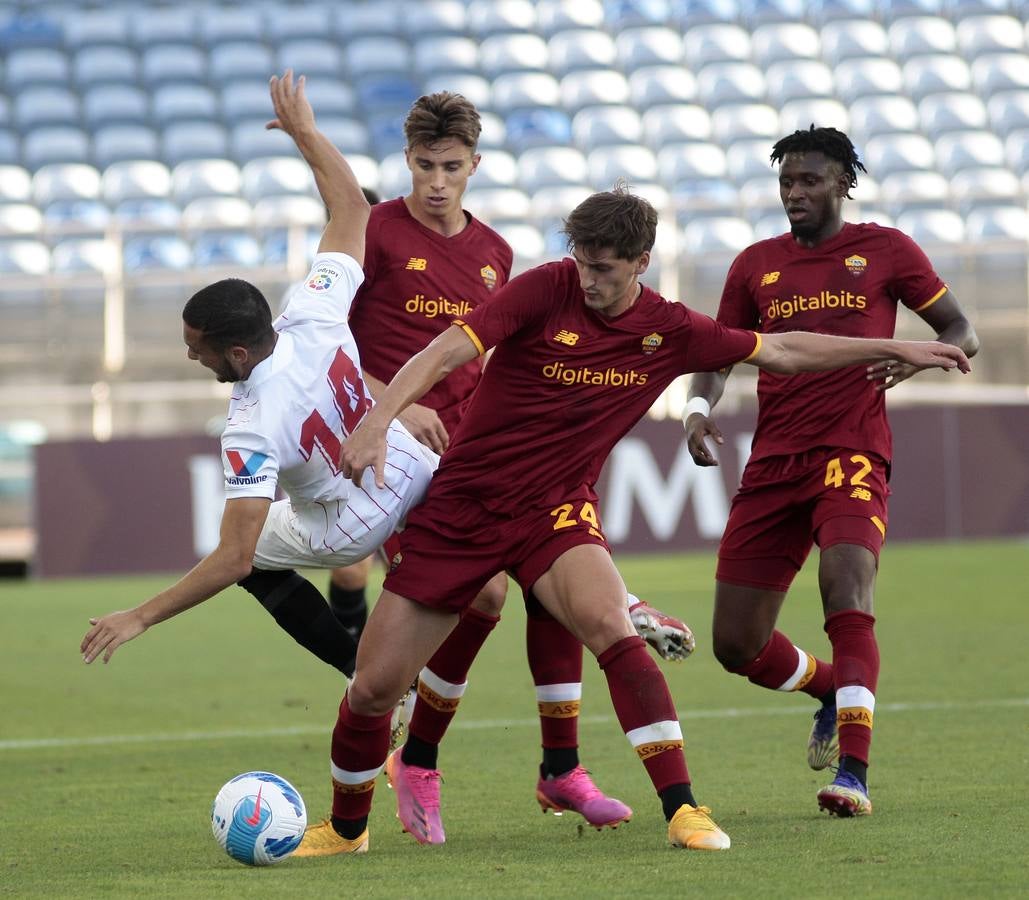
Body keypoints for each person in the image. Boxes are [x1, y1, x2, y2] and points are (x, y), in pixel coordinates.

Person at [292, 181, 970, 857]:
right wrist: (377, 420)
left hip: (554, 513)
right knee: (374, 688)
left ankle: (683, 810)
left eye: (604, 268)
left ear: (640, 261)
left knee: (613, 630)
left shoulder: (668, 329)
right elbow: (446, 351)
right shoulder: (544, 288)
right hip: (463, 508)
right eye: (582, 261)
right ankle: (346, 830)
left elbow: (783, 349)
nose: (587, 278)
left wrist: (897, 349)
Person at [304, 90, 693, 842]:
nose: (437, 181)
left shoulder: (494, 255)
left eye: (451, 167)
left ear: (475, 166)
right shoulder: (373, 233)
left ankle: (559, 766)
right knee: (483, 596)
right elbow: (327, 347)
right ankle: (417, 755)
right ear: (407, 163)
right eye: (424, 165)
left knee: (546, 586)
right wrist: (389, 403)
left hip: (475, 460)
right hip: (391, 453)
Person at [79, 71, 430, 678]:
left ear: (238, 353)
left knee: (254, 560)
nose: (192, 357)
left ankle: (357, 670)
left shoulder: (249, 425)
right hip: (409, 467)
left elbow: (234, 559)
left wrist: (139, 615)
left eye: (199, 348)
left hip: (348, 522)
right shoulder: (314, 310)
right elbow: (353, 207)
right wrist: (306, 134)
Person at [683, 126, 980, 818]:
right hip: (773, 462)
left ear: (843, 182)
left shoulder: (886, 251)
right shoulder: (754, 264)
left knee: (844, 583)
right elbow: (718, 354)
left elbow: (959, 330)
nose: (794, 193)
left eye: (809, 181)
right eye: (786, 182)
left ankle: (853, 771)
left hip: (851, 450)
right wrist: (698, 410)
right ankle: (823, 687)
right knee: (734, 645)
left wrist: (912, 356)